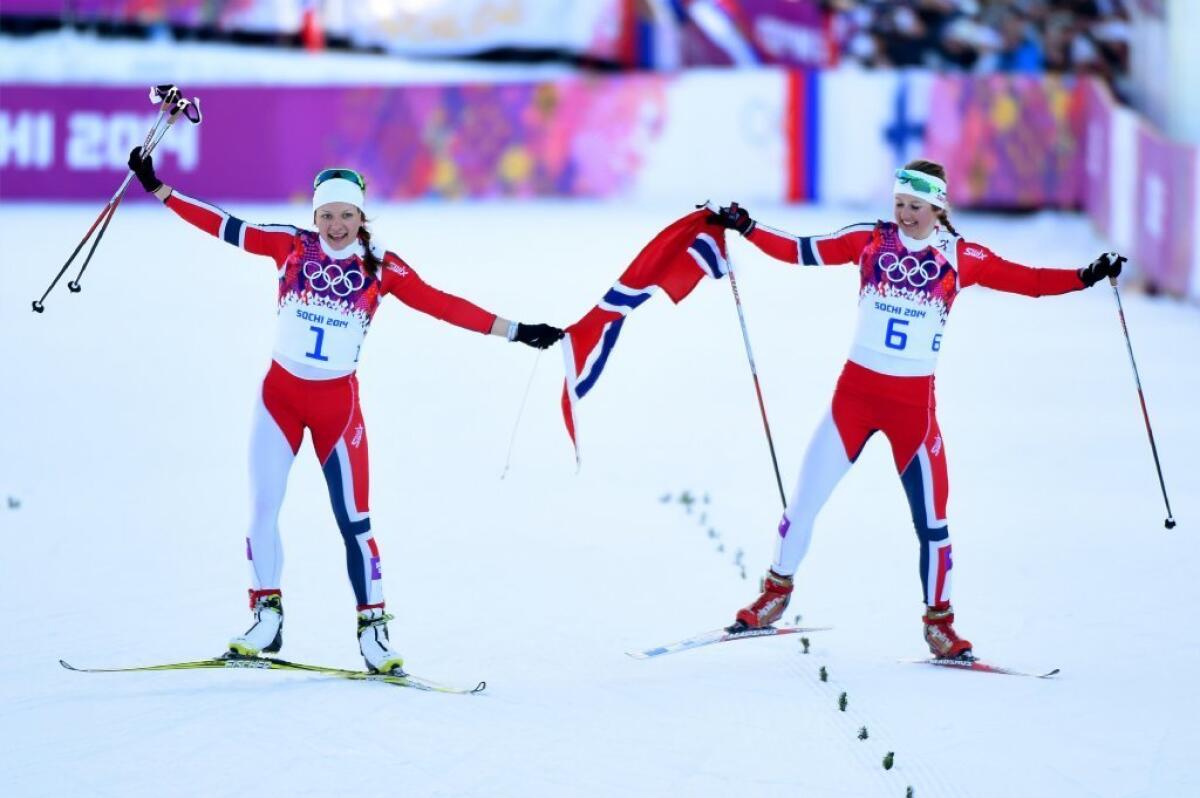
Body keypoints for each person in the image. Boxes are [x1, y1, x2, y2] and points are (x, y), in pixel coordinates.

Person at [127, 147, 564, 674]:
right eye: (327, 215)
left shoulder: (382, 266)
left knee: (354, 524)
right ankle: (266, 617)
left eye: (347, 215)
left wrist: (517, 332)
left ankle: (374, 630)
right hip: (279, 400)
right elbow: (223, 225)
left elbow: (443, 305)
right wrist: (160, 190)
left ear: (362, 217)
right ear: (315, 217)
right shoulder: (289, 246)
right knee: (263, 509)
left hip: (337, 408)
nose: (337, 225)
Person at [710, 159, 1124, 660]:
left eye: (916, 206)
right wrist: (748, 226)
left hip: (913, 409)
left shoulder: (959, 255)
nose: (905, 214)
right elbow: (802, 250)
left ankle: (940, 625)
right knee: (803, 503)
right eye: (900, 204)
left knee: (933, 524)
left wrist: (1086, 276)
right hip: (854, 399)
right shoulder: (869, 239)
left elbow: (1029, 281)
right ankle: (775, 593)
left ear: (939, 207)